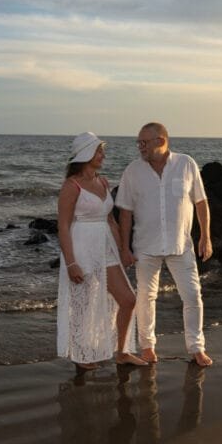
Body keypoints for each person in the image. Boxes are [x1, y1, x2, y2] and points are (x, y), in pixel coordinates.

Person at [115, 123, 214, 367]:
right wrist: (124, 248)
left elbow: (200, 202)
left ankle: (196, 348)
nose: (140, 147)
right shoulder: (132, 171)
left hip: (181, 244)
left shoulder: (186, 164)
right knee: (146, 298)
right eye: (138, 143)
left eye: (144, 142)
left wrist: (206, 236)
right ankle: (147, 347)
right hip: (145, 246)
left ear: (161, 141)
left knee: (192, 296)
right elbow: (125, 212)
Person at [57, 132, 148, 370]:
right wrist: (70, 262)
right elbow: (63, 226)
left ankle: (122, 352)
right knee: (84, 303)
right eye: (99, 151)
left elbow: (111, 221)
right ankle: (81, 354)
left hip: (105, 247)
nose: (103, 155)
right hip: (81, 247)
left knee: (128, 299)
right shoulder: (71, 186)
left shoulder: (103, 182)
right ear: (86, 153)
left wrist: (123, 250)